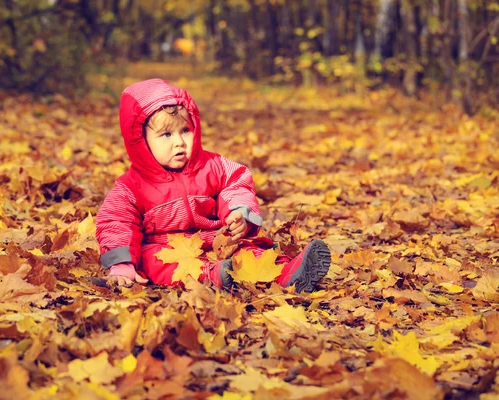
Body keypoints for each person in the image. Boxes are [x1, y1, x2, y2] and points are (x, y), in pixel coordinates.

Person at [95, 79, 331, 292]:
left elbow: (236, 183)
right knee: (156, 260)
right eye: (166, 135)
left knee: (245, 250)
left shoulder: (212, 166)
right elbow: (116, 222)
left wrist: (240, 213)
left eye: (185, 130)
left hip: (213, 240)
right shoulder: (132, 186)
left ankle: (287, 272)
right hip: (164, 246)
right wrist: (121, 264)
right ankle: (212, 276)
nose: (179, 142)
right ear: (140, 140)